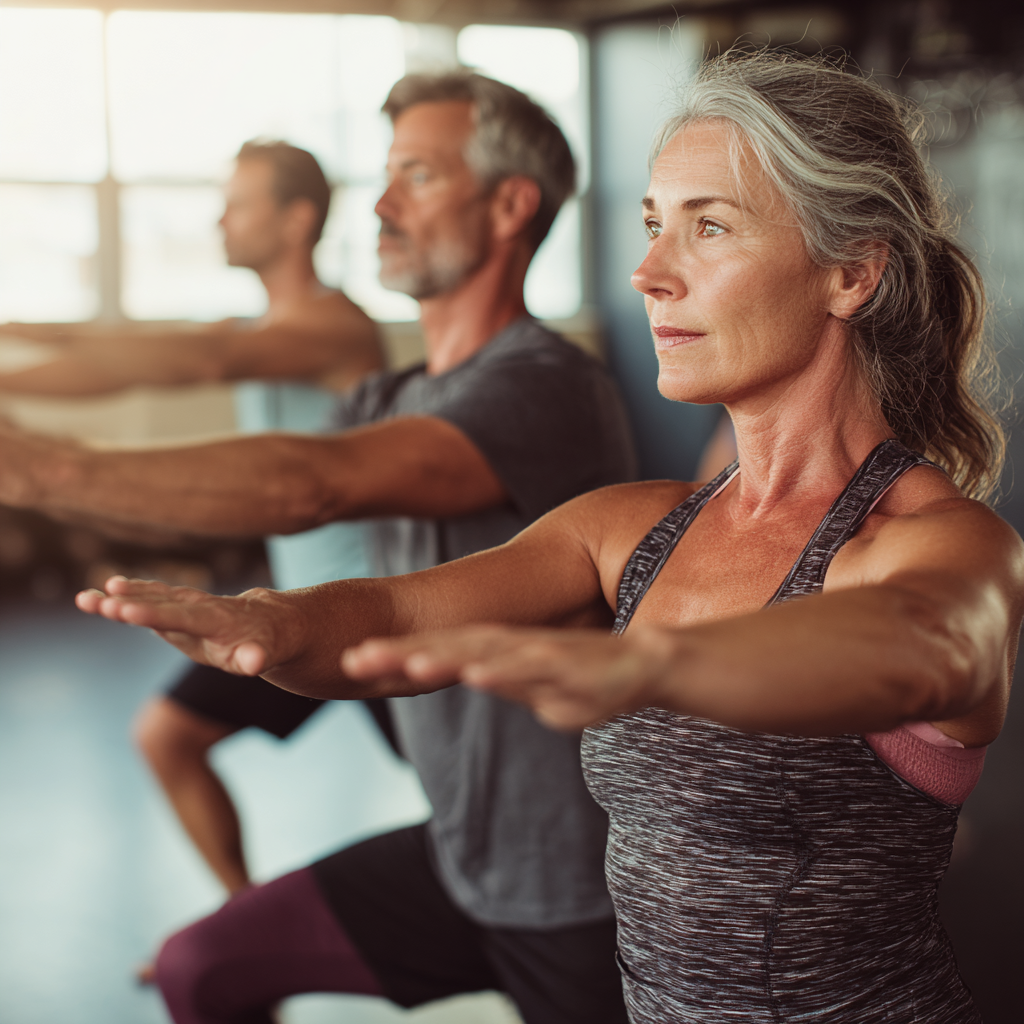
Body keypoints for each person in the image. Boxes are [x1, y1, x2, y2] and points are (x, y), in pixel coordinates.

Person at [81, 51, 1024, 1024]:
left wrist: (650, 667)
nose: (651, 273)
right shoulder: (631, 529)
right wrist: (269, 624)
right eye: (655, 226)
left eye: (709, 226)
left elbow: (919, 642)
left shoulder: (936, 543)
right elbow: (400, 608)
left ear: (851, 271)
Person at [16, 70, 637, 1023]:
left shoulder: (549, 384)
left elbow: (308, 483)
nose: (381, 204)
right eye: (385, 175)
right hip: (460, 855)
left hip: (578, 889)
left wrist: (44, 471)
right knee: (202, 969)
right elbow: (276, 482)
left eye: (418, 175)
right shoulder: (389, 395)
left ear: (512, 205)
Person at [3, 139, 388, 897]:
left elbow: (194, 359)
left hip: (377, 607)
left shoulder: (335, 329)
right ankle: (240, 918)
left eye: (239, 203)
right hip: (296, 609)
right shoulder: (256, 327)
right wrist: (21, 332)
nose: (219, 218)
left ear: (295, 219)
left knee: (463, 786)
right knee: (168, 736)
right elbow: (152, 348)